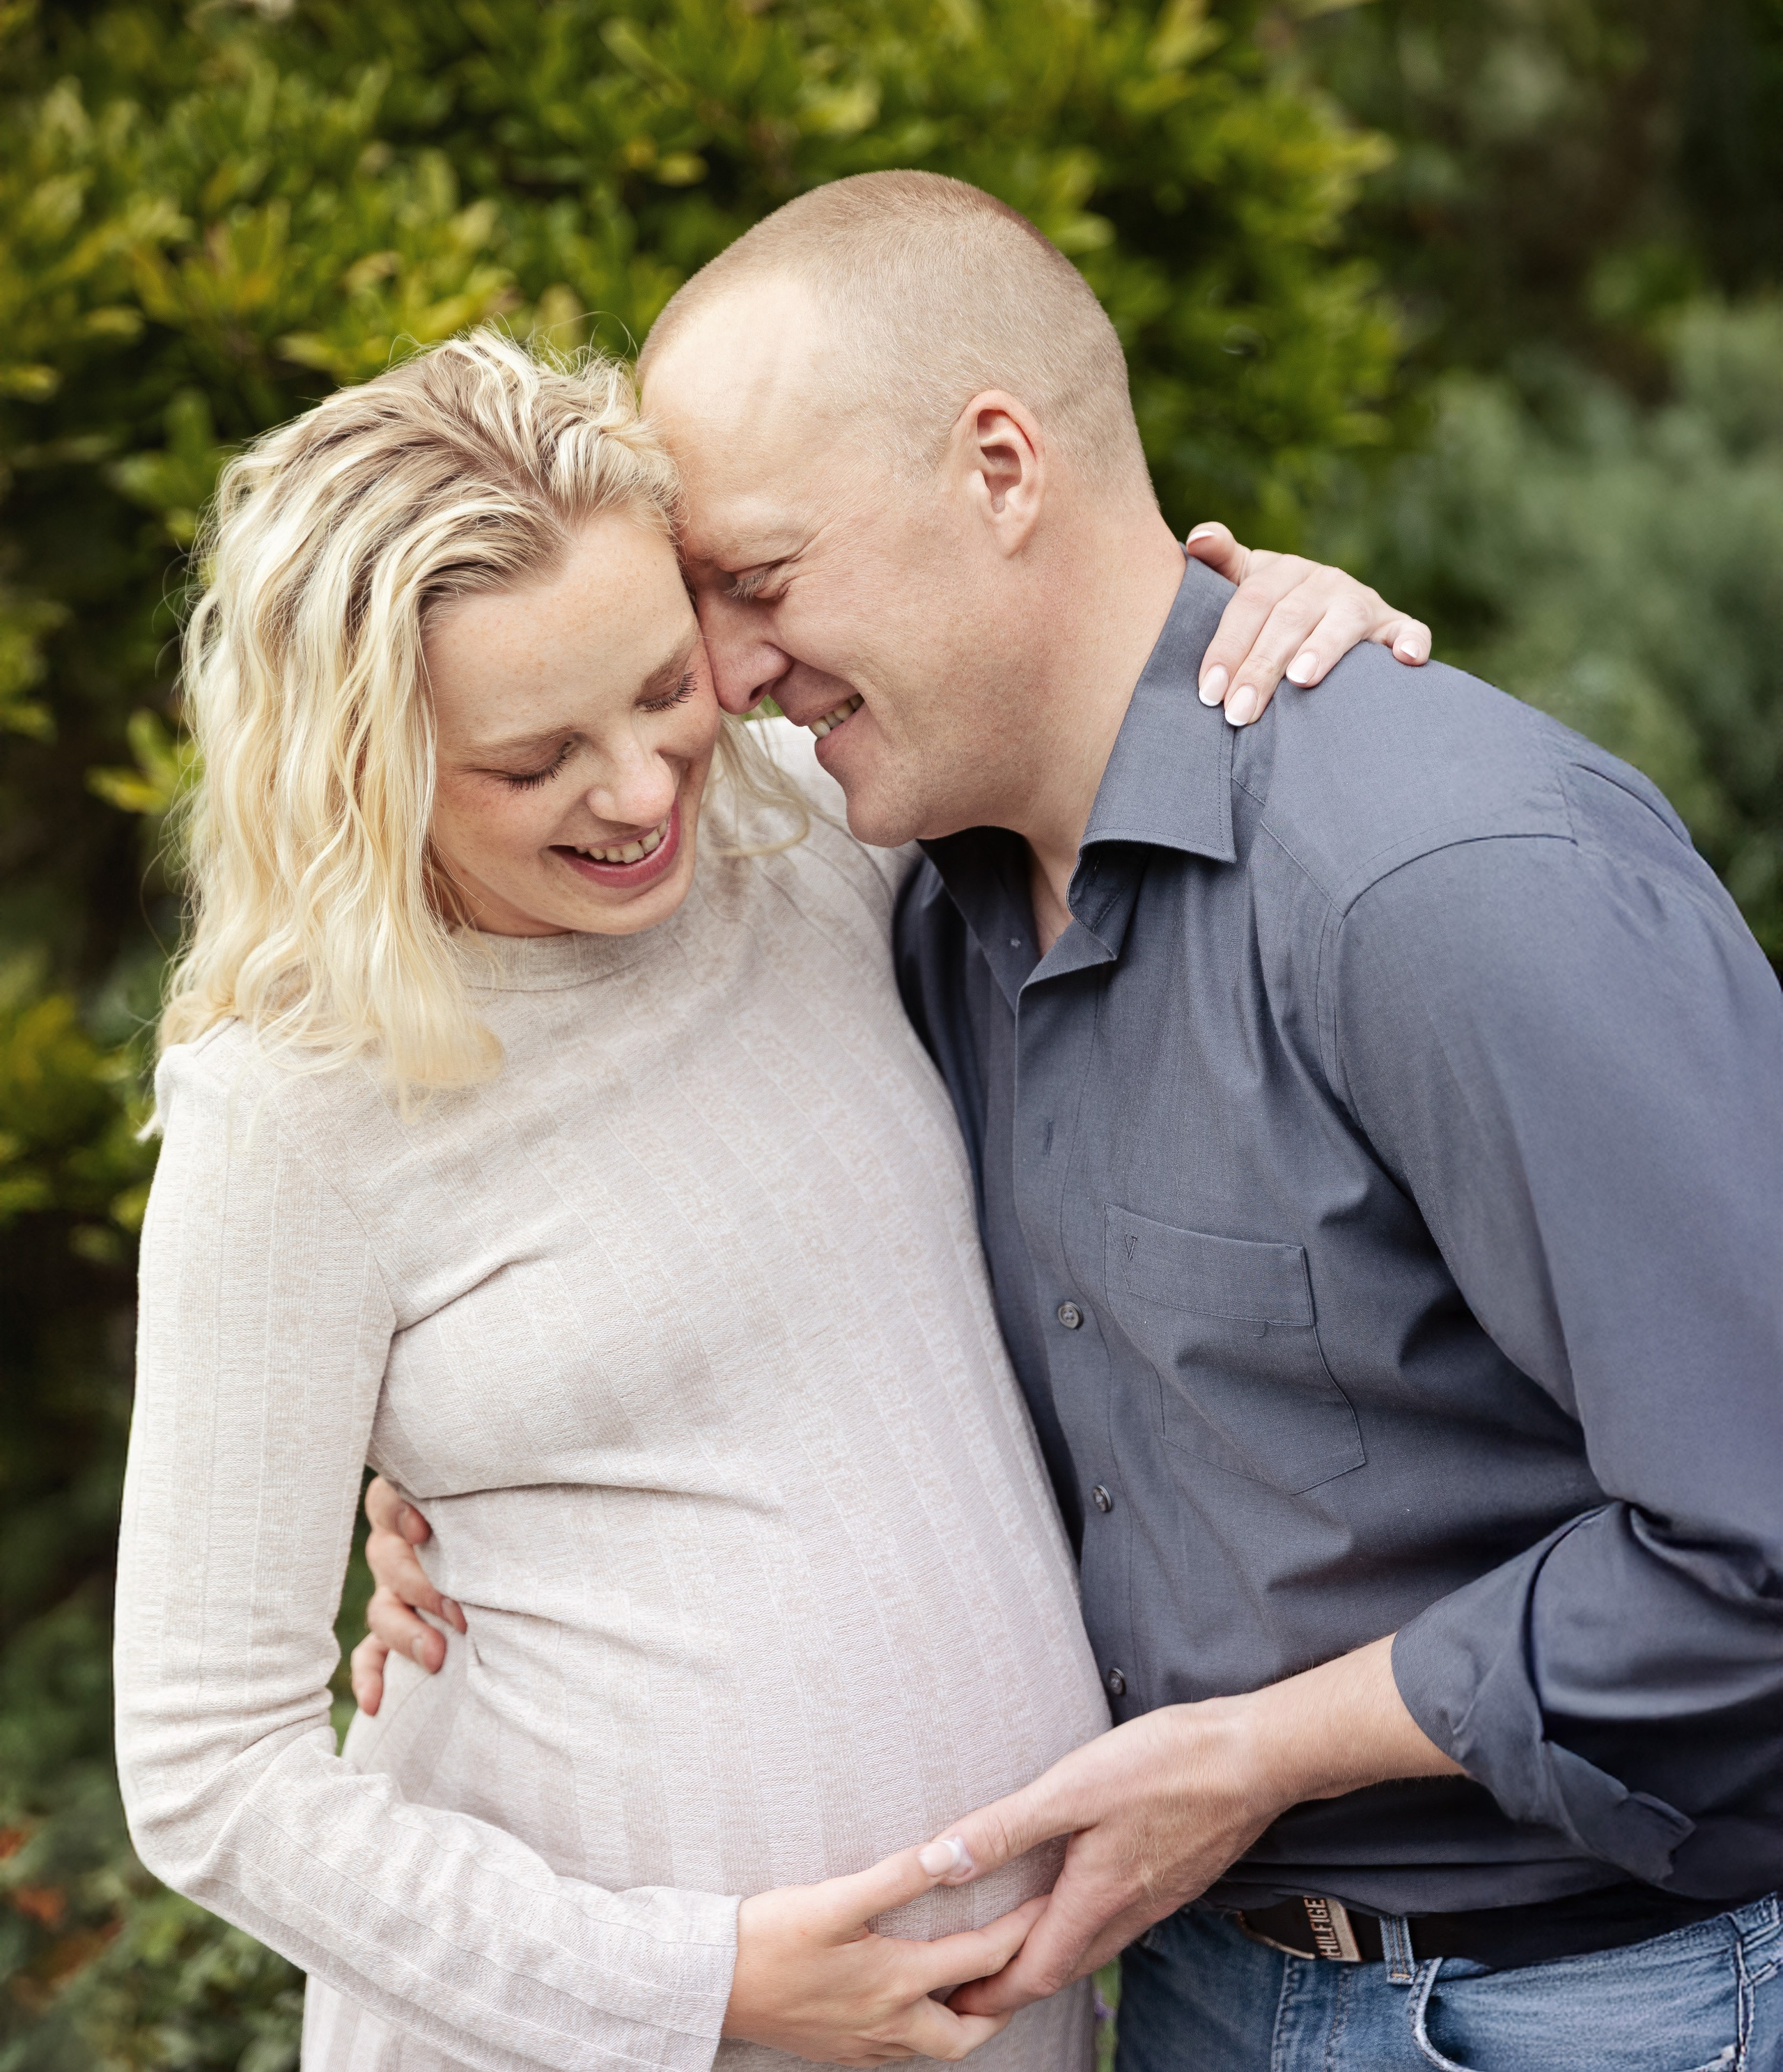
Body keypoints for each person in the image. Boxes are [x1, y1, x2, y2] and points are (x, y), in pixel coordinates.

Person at [370, 173, 1783, 2071]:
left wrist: (1259, 1754)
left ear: (1003, 470)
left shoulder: (1442, 881)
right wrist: (458, 1502)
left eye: (759, 581)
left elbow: (1758, 1541)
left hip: (1576, 2009)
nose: (718, 679)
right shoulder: (909, 901)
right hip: (1187, 1991)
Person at [113, 328, 1400, 2072]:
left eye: (661, 689)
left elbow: (1069, 672)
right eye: (528, 759)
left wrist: (1271, 617)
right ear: (364, 766)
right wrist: (691, 1987)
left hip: (1004, 2016)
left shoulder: (806, 833)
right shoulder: (293, 1103)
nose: (639, 791)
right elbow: (207, 1770)